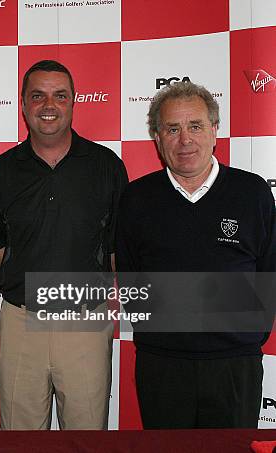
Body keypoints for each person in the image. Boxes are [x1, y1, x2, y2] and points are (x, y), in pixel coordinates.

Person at [115, 81, 276, 428]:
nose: (184, 139)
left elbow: (269, 273)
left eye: (195, 126)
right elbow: (129, 278)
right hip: (163, 367)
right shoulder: (136, 199)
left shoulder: (253, 193)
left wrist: (244, 337)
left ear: (215, 131)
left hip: (236, 367)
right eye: (172, 129)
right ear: (157, 138)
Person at [0, 60, 128, 429]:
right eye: (38, 96)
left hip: (85, 321)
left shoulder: (106, 166)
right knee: (20, 436)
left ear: (73, 102)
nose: (49, 105)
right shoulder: (1, 171)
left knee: (85, 434)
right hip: (21, 320)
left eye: (59, 95)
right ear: (23, 104)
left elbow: (115, 248)